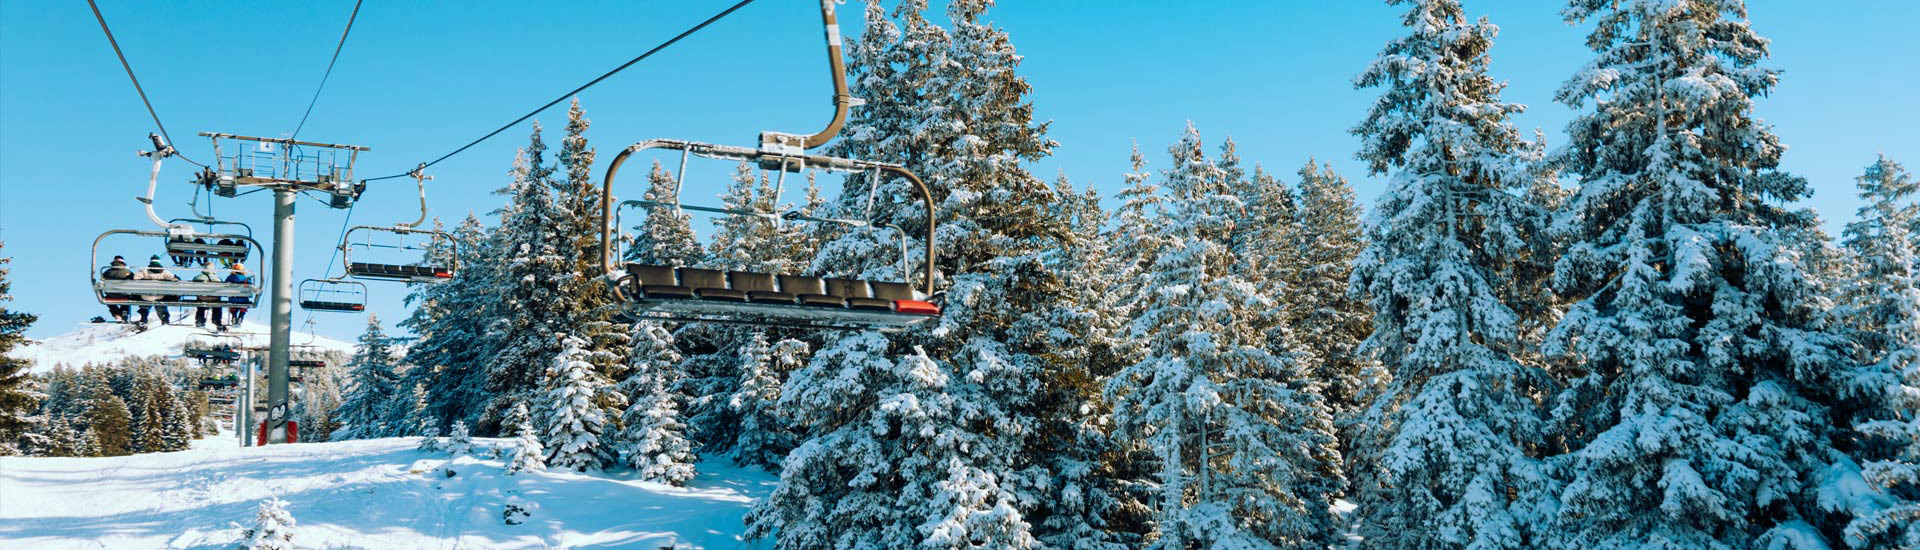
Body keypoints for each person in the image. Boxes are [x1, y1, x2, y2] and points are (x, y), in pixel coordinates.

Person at [132, 255, 178, 326]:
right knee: (161, 306)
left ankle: (143, 319)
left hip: (146, 296)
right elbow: (174, 279)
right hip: (160, 295)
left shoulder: (144, 271)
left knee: (144, 305)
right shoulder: (164, 272)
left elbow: (135, 278)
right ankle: (165, 319)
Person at [100, 255, 135, 322]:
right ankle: (124, 314)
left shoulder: (107, 272)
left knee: (109, 301)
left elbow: (102, 281)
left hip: (111, 294)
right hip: (124, 294)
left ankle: (116, 314)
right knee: (126, 301)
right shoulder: (128, 272)